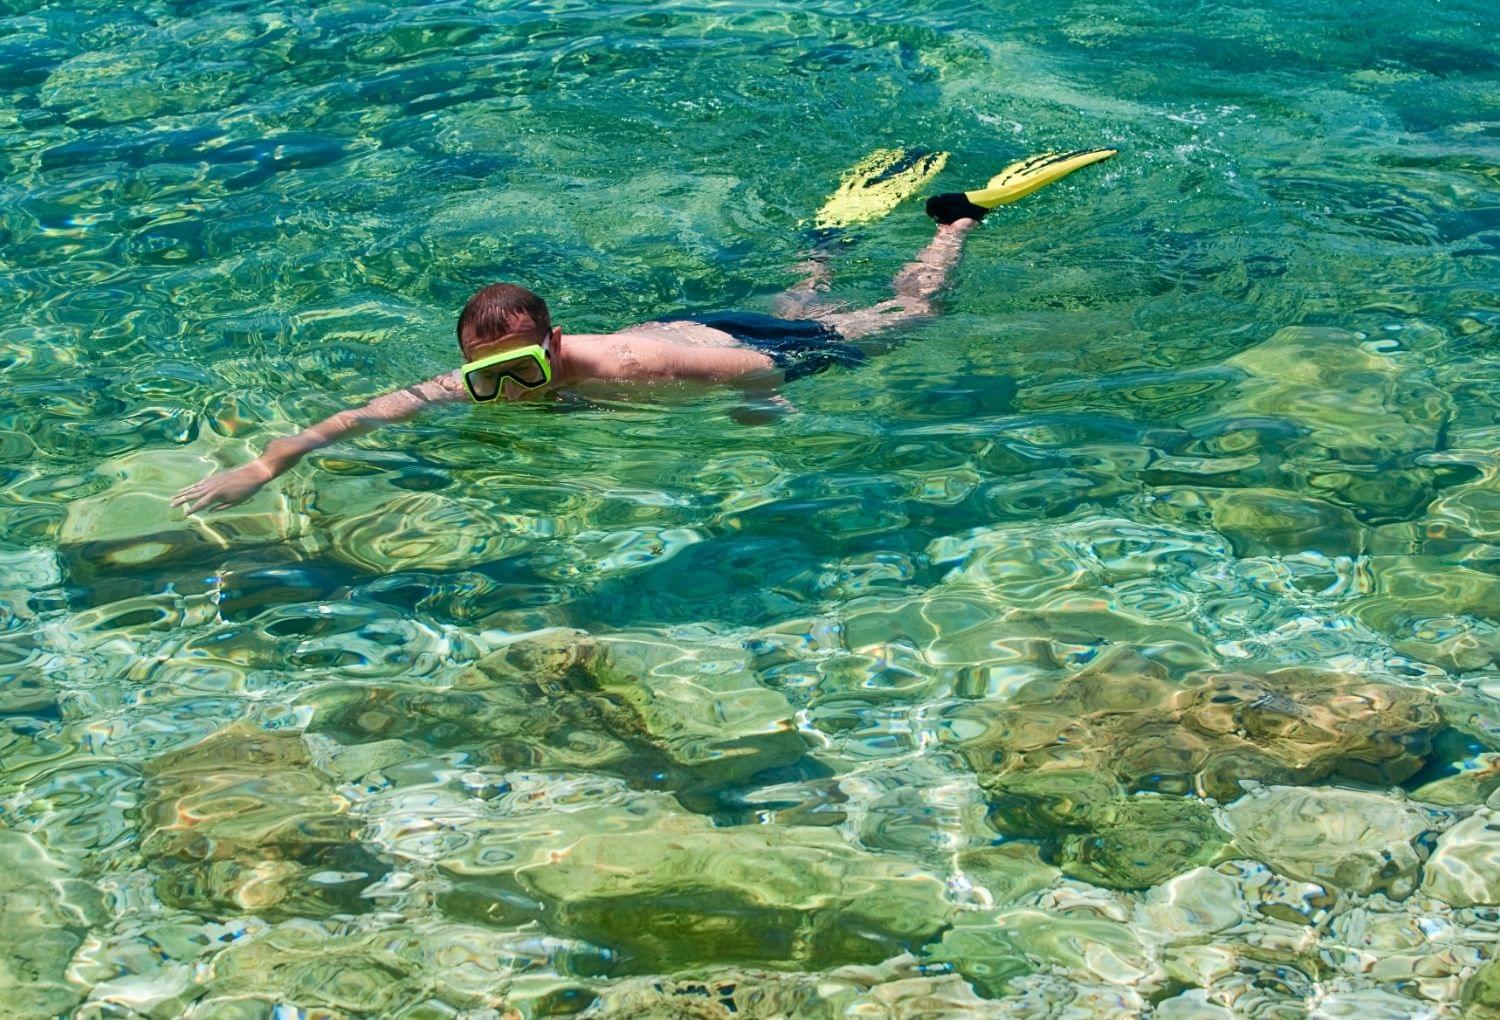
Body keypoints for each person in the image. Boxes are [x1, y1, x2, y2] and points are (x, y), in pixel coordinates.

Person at [172, 149, 1114, 514]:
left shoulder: (624, 365)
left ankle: (953, 223)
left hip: (731, 352)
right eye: (492, 379)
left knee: (904, 316)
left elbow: (752, 371)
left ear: (555, 341)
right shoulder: (487, 377)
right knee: (802, 292)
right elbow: (354, 418)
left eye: (525, 371)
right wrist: (267, 465)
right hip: (708, 325)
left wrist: (760, 414)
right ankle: (822, 243)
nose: (516, 391)